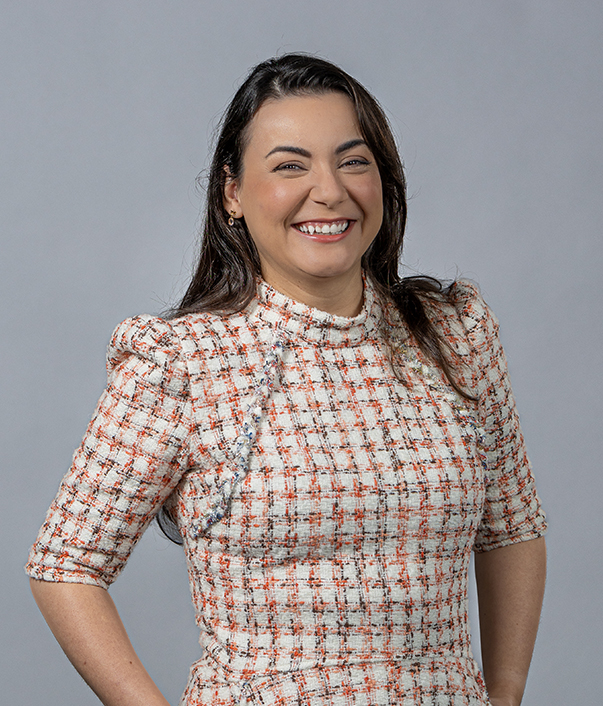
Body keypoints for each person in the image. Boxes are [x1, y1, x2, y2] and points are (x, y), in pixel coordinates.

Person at [26, 53, 547, 706]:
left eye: (352, 161)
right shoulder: (181, 362)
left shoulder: (452, 335)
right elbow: (66, 565)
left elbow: (511, 528)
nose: (328, 191)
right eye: (290, 166)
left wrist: (503, 694)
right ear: (232, 193)